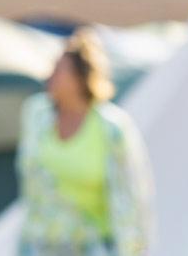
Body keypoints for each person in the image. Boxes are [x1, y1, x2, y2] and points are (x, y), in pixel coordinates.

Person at [17, 29, 153, 256]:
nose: (50, 75)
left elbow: (133, 196)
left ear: (80, 79)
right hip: (39, 245)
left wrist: (134, 250)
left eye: (59, 70)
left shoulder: (112, 128)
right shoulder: (35, 114)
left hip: (91, 246)